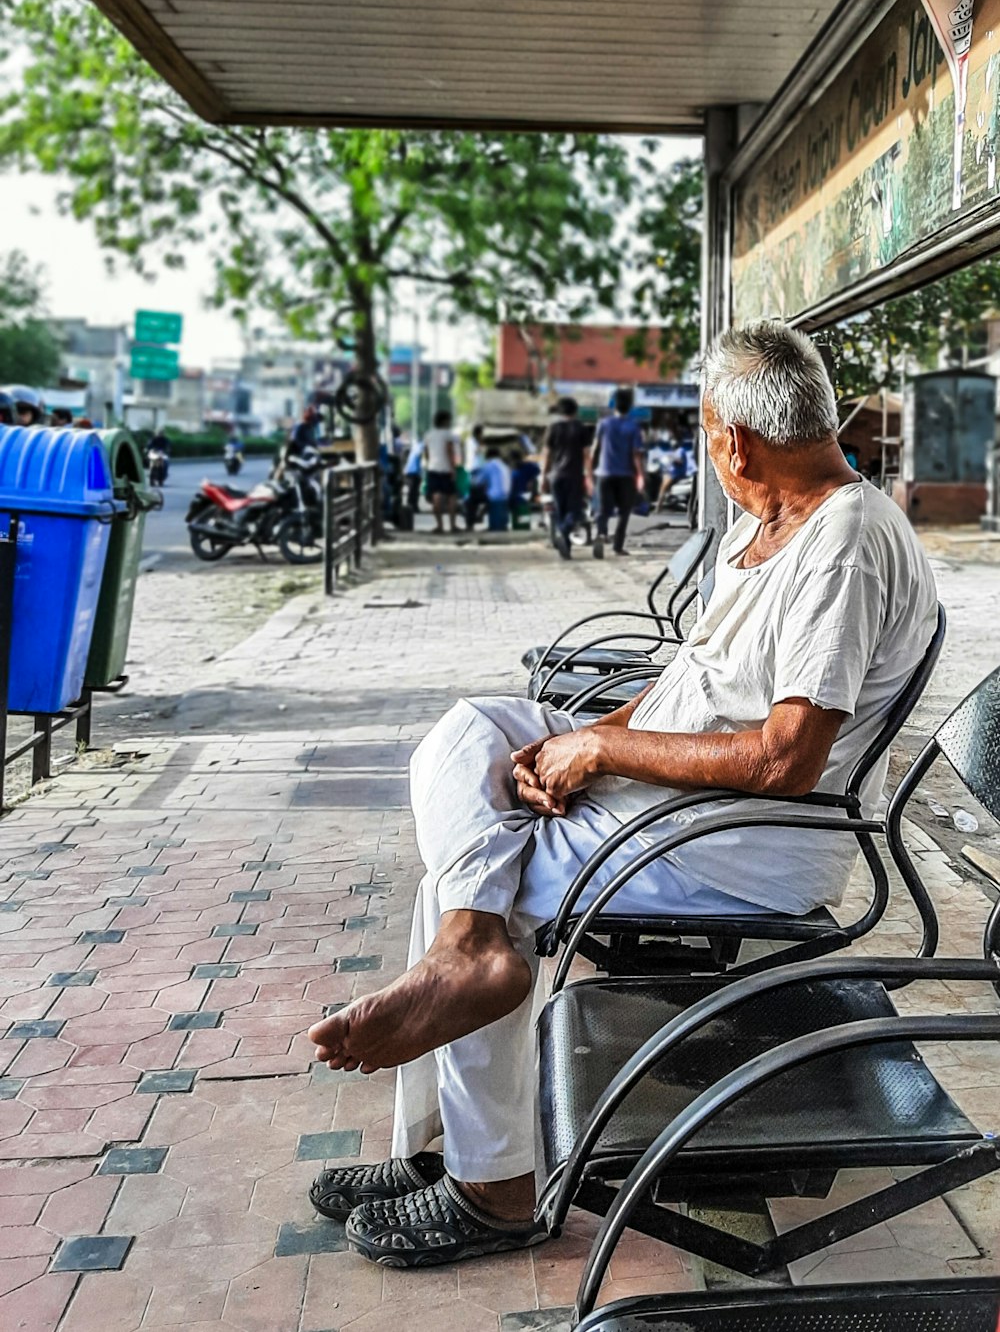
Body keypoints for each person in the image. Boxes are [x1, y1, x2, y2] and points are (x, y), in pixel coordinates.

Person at [304, 320, 938, 1268]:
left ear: (735, 443)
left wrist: (602, 745)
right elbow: (698, 678)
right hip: (663, 795)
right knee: (471, 739)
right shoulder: (767, 522)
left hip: (738, 837)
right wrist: (578, 741)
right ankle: (455, 1083)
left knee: (477, 875)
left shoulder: (842, 543)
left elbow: (784, 759)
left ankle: (493, 1183)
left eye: (708, 435)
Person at [587, 386, 644, 557]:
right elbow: (636, 455)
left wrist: (589, 472)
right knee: (624, 512)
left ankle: (601, 534)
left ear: (614, 406)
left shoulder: (604, 424)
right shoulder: (634, 427)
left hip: (604, 473)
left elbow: (594, 449)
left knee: (602, 510)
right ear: (630, 406)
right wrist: (640, 475)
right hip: (625, 476)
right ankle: (617, 546)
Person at [540, 396, 588, 560]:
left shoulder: (552, 428)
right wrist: (588, 476)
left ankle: (565, 547)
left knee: (560, 512)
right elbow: (586, 455)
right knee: (574, 512)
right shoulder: (581, 428)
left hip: (556, 476)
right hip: (574, 476)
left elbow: (546, 455)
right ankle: (563, 534)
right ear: (575, 410)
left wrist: (543, 477)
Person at [424, 408, 459, 534]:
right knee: (451, 497)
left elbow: (426, 453)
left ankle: (439, 526)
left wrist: (429, 464)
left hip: (432, 469)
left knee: (436, 497)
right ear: (445, 421)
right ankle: (452, 526)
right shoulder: (448, 434)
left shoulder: (428, 434)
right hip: (446, 469)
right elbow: (449, 451)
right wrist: (453, 468)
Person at [478, 446, 512, 531]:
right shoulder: (504, 465)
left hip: (494, 496)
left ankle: (472, 522)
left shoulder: (489, 465)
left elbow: (479, 481)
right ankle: (501, 525)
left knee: (472, 498)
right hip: (506, 495)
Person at [403, 438, 425, 517]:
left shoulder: (417, 445)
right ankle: (412, 507)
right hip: (413, 471)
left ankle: (413, 506)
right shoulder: (421, 446)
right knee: (413, 490)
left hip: (412, 471)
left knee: (413, 490)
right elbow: (420, 454)